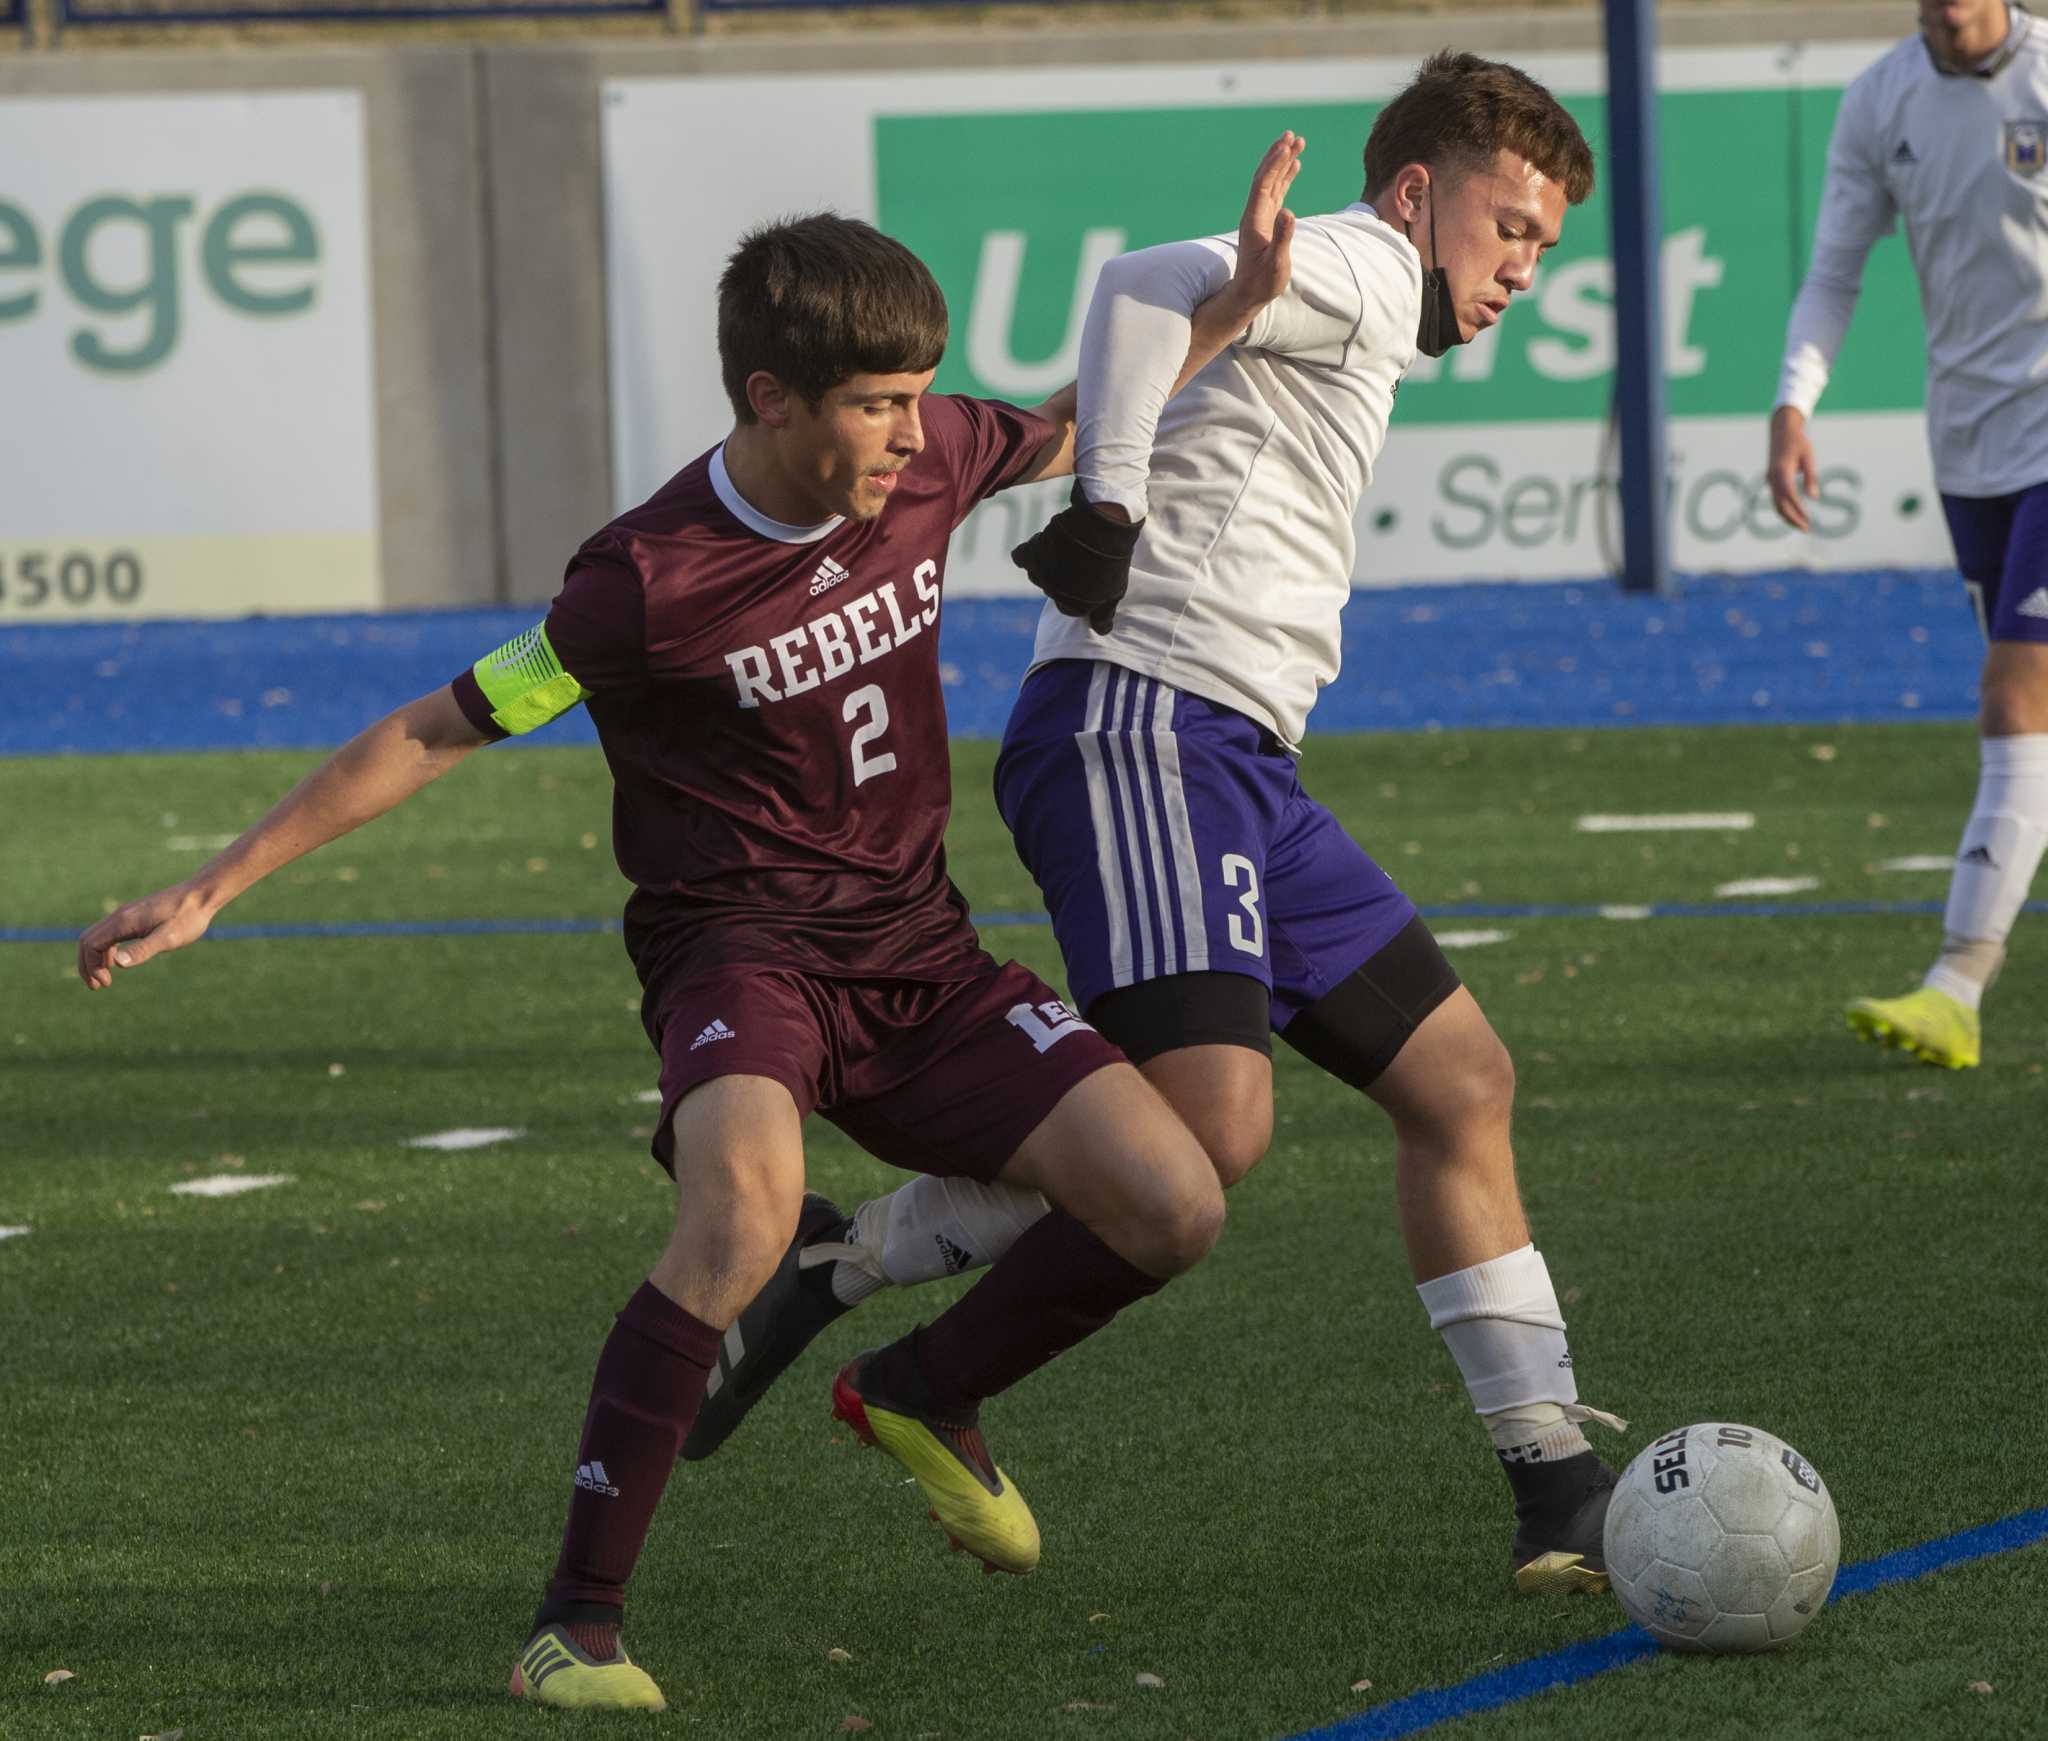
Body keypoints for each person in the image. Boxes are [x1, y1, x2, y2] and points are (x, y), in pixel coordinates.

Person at [76, 163, 1300, 1710]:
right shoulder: (637, 582)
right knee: (736, 1222)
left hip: (921, 952)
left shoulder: (923, 463)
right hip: (742, 958)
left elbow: (1068, 422)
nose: (916, 434)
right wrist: (215, 883)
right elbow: (440, 729)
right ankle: (574, 1626)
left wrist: (1237, 307)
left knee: (1175, 1201)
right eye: (876, 404)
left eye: (921, 397)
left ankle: (924, 1387)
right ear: (771, 397)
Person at [687, 52, 1630, 1601]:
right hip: (1145, 730)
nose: (1525, 268)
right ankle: (920, 1374)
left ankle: (1559, 1487)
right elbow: (1135, 281)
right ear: (1417, 195)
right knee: (1208, 1132)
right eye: (1511, 227)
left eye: (1545, 245)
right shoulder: (1361, 257)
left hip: (1237, 758)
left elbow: (1181, 317)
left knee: (1461, 1081)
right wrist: (1111, 505)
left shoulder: (1355, 291)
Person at [1768, 0, 2048, 1070]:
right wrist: (1793, 402)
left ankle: (1956, 982)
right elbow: (1834, 272)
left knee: (2013, 692)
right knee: (2027, 703)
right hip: (1970, 453)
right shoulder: (1877, 100)